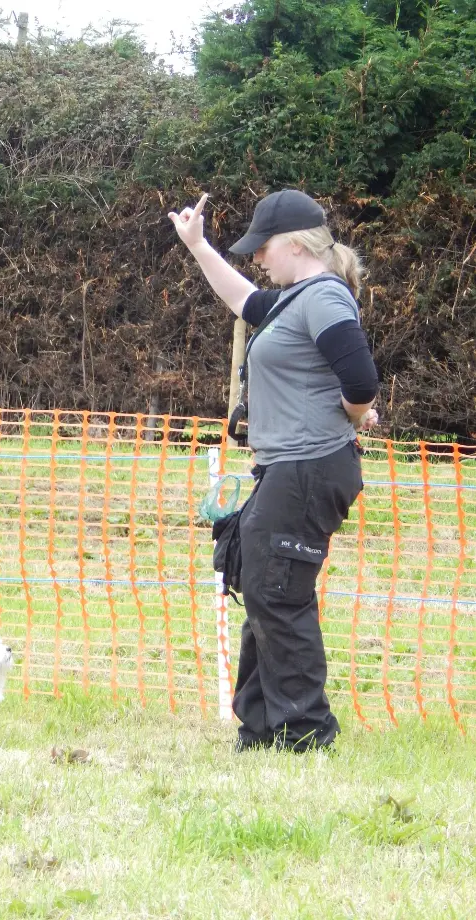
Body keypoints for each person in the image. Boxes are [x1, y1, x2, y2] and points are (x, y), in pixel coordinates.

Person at [169, 189, 379, 752]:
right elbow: (243, 299)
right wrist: (198, 246)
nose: (257, 258)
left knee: (278, 593)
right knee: (263, 588)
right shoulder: (293, 298)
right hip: (289, 468)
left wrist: (353, 412)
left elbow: (361, 381)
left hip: (309, 467)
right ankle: (263, 727)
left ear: (295, 244)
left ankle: (305, 732)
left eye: (263, 247)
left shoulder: (324, 298)